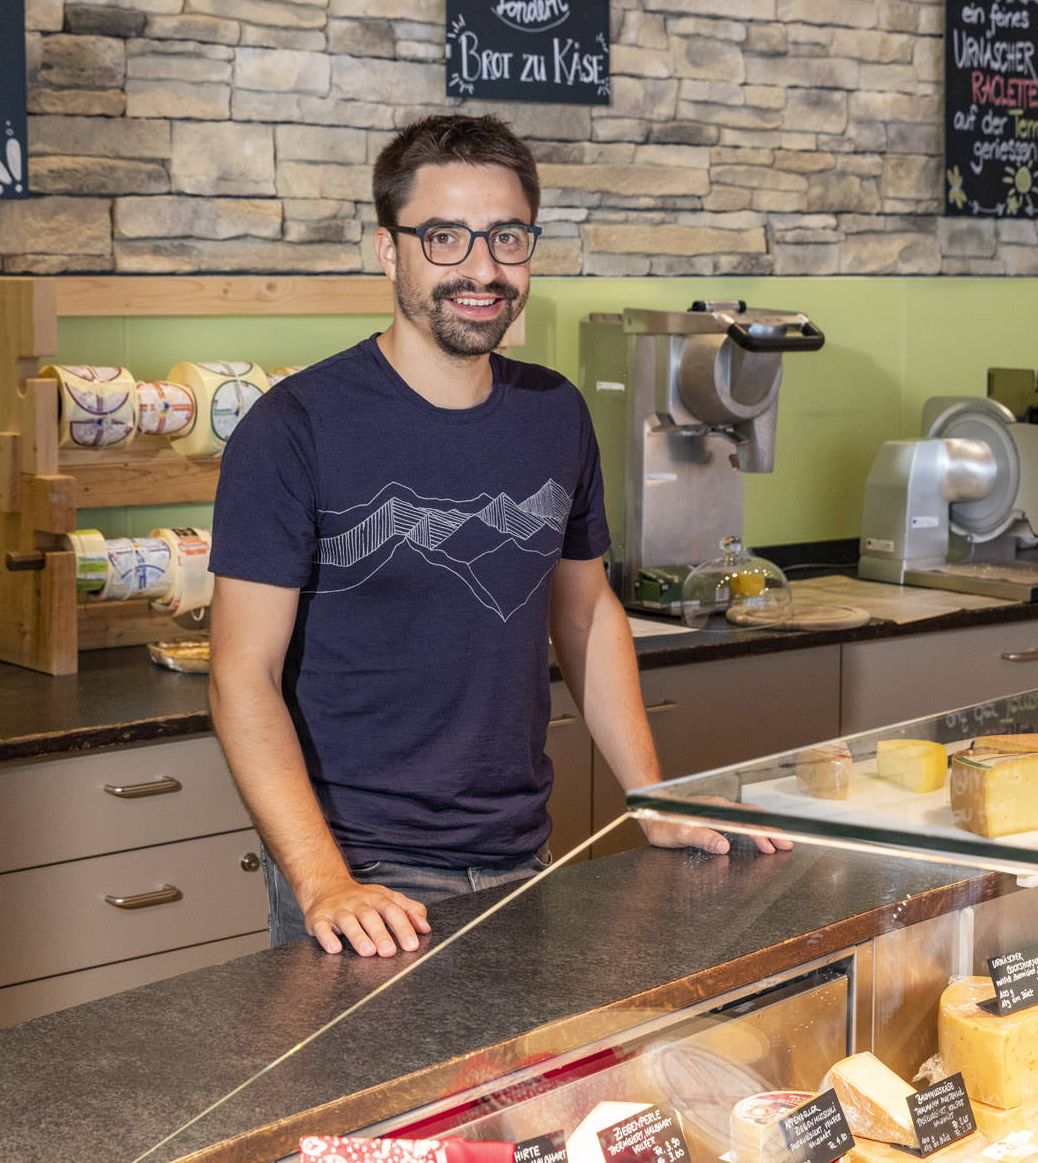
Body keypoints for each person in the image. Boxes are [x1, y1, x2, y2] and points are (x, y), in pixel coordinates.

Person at [207, 114, 787, 959]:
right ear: (389, 250)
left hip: (522, 855)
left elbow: (586, 614)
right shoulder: (295, 427)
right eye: (445, 237)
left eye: (507, 237)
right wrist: (322, 880)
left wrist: (653, 797)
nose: (481, 269)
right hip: (364, 878)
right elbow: (240, 675)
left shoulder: (553, 412)